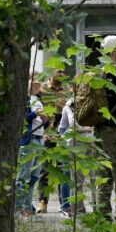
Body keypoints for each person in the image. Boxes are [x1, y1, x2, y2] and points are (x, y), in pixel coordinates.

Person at [94, 35, 116, 232]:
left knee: (103, 179)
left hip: (98, 129)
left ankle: (103, 224)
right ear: (115, 51)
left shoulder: (97, 73)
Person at [36, 70, 68, 214]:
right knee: (45, 167)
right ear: (51, 72)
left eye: (64, 71)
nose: (62, 73)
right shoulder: (41, 89)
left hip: (63, 134)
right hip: (46, 133)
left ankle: (64, 203)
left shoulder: (67, 91)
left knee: (63, 168)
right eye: (59, 71)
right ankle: (42, 201)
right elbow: (36, 110)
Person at [58, 98, 94, 216]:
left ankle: (97, 209)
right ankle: (78, 210)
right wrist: (67, 140)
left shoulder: (94, 101)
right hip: (76, 144)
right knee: (77, 180)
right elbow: (62, 128)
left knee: (95, 178)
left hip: (92, 142)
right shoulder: (69, 106)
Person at [15, 93, 46, 219]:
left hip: (40, 140)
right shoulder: (24, 98)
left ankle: (28, 208)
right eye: (34, 81)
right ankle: (18, 209)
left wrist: (47, 120)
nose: (37, 83)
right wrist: (35, 114)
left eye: (39, 81)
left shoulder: (39, 99)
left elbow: (41, 123)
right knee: (23, 176)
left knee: (33, 178)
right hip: (29, 141)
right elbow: (20, 119)